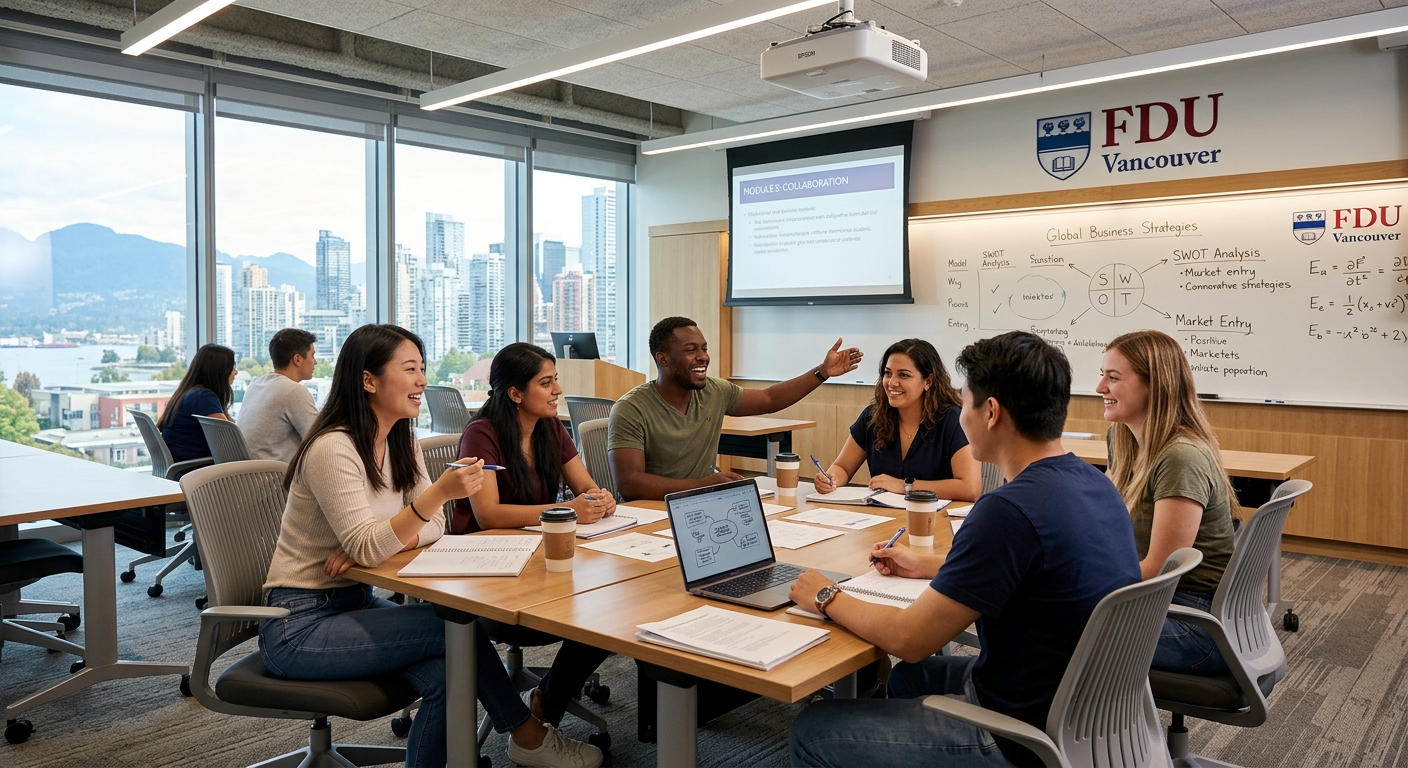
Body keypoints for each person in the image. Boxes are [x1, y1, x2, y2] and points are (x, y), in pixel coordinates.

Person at [787, 331, 1141, 768]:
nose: (960, 415)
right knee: (912, 678)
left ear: (990, 411)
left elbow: (909, 639)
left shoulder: (1006, 510)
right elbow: (1031, 569)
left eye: (966, 400)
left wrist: (827, 595)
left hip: (1022, 734)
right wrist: (932, 565)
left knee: (812, 728)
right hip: (1088, 708)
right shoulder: (1094, 483)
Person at [259, 324, 601, 768]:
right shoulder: (333, 447)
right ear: (369, 381)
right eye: (410, 369)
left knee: (450, 672)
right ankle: (527, 732)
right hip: (297, 623)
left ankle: (510, 739)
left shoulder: (401, 439)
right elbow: (383, 538)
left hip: (354, 600)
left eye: (422, 368)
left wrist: (380, 539)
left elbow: (433, 528)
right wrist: (421, 505)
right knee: (454, 631)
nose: (423, 380)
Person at [455, 342, 613, 728]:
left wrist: (599, 499)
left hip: (539, 559)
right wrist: (563, 512)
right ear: (515, 393)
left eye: (555, 380)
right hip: (487, 575)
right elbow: (487, 513)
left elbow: (584, 487)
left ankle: (547, 700)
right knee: (594, 611)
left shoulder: (551, 428)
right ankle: (541, 714)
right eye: (546, 382)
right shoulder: (482, 433)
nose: (557, 389)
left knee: (609, 607)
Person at [1097, 329, 1237, 674]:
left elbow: (1161, 570)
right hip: (1160, 602)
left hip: (1195, 621)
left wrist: (1078, 582)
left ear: (1154, 386)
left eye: (1113, 378)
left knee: (1046, 623)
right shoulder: (1124, 438)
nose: (1101, 388)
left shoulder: (1180, 457)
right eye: (1102, 376)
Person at [608, 316, 863, 500]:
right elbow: (630, 483)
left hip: (703, 503)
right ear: (662, 359)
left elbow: (769, 399)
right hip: (653, 512)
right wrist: (703, 486)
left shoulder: (714, 391)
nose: (703, 357)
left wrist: (822, 372)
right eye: (691, 350)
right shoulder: (631, 408)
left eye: (704, 349)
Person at [814, 338, 981, 502]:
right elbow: (842, 467)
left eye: (903, 375)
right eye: (888, 373)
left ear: (928, 381)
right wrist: (832, 479)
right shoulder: (873, 416)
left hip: (935, 520)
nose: (892, 382)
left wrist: (904, 486)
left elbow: (970, 489)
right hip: (882, 520)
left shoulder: (952, 420)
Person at [238, 328, 321, 463]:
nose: (315, 362)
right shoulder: (294, 391)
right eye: (312, 356)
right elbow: (319, 440)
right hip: (274, 479)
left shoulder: (255, 385)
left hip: (249, 477)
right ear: (297, 359)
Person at [157, 343, 236, 463]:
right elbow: (229, 440)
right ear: (219, 371)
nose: (236, 372)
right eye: (232, 366)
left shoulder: (190, 393)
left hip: (183, 467)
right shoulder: (203, 397)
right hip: (196, 470)